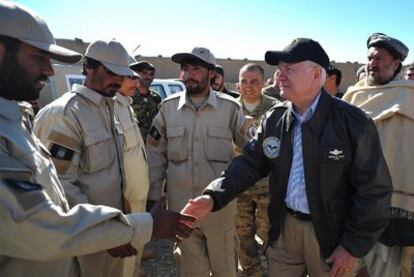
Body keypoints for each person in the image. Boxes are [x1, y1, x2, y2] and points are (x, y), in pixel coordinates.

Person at [0, 2, 194, 276]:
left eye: (122, 73)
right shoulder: (64, 114)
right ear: (89, 68)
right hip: (87, 239)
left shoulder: (112, 108)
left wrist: (122, 217)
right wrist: (119, 228)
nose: (49, 70)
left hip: (107, 230)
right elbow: (61, 193)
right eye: (37, 58)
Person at [182, 38, 392, 277]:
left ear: (316, 75)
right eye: (280, 70)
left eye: (289, 69)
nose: (280, 75)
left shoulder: (353, 123)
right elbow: (250, 163)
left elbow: (374, 192)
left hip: (331, 235)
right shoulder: (275, 118)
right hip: (284, 230)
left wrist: (352, 246)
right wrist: (212, 196)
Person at [146, 47, 249, 277]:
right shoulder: (167, 109)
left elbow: (251, 151)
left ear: (211, 73)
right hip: (181, 212)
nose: (189, 74)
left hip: (219, 212)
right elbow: (155, 157)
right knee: (192, 271)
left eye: (196, 68)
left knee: (225, 270)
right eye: (185, 68)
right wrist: (154, 199)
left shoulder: (230, 108)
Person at [343, 33, 414, 277]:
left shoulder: (410, 96)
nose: (372, 63)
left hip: (393, 210)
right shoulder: (353, 96)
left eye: (380, 58)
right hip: (352, 202)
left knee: (386, 270)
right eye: (370, 57)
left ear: (396, 64)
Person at [235, 63, 278, 276]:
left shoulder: (276, 109)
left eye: (254, 81)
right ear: (238, 84)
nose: (248, 86)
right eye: (244, 81)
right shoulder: (230, 109)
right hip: (238, 186)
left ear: (263, 83)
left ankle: (271, 271)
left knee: (269, 233)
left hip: (267, 185)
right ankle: (251, 272)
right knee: (242, 235)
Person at [114, 66, 150, 276]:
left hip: (139, 194)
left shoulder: (126, 105)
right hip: (126, 199)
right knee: (124, 255)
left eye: (137, 79)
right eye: (130, 78)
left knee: (137, 247)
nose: (137, 83)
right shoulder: (109, 107)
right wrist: (121, 196)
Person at [130, 61, 162, 142]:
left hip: (152, 146)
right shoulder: (129, 98)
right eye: (145, 73)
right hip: (135, 145)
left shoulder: (156, 98)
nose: (148, 77)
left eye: (151, 74)